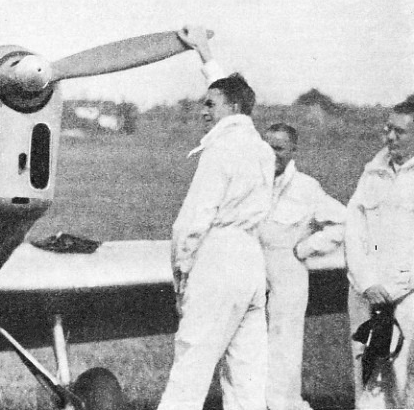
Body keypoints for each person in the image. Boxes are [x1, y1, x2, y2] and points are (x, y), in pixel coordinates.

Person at [157, 25, 275, 410]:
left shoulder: (220, 149)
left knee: (190, 370)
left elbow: (190, 225)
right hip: (252, 267)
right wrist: (205, 53)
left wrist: (181, 275)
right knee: (247, 377)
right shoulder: (263, 150)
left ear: (232, 109)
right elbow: (230, 90)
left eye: (210, 104)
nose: (202, 111)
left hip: (218, 260)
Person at [259, 123, 346, 410]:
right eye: (267, 146)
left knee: (285, 344)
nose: (272, 154)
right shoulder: (249, 182)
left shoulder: (306, 188)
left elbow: (344, 222)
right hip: (252, 271)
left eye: (279, 148)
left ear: (293, 150)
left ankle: (283, 404)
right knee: (247, 343)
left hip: (288, 273)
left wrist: (309, 247)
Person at [346, 98, 414, 408]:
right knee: (370, 383)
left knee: (406, 386)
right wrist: (368, 282)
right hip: (368, 294)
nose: (389, 138)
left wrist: (395, 288)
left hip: (407, 296)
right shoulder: (372, 173)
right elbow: (355, 232)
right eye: (388, 129)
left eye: (399, 132)